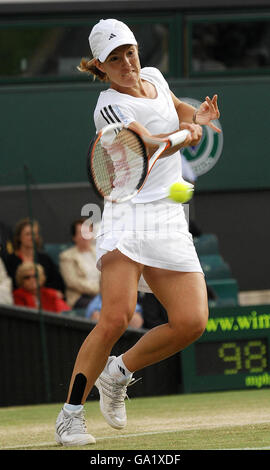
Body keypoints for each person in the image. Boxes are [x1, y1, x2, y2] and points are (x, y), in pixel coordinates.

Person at [55, 18, 221, 446]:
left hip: (166, 216)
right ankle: (71, 416)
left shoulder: (153, 75)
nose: (127, 62)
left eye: (129, 51)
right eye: (115, 58)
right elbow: (147, 144)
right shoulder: (108, 106)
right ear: (100, 65)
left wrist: (194, 116)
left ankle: (119, 372)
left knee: (192, 321)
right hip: (128, 214)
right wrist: (186, 135)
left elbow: (175, 108)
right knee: (114, 315)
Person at [4, 217, 65, 295]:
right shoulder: (10, 260)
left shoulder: (45, 259)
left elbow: (57, 283)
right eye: (28, 234)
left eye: (34, 234)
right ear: (19, 237)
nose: (32, 238)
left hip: (45, 299)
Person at [59, 218, 100, 309]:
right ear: (74, 237)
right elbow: (72, 282)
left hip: (103, 294)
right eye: (81, 233)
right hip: (80, 297)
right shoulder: (66, 256)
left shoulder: (99, 253)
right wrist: (97, 289)